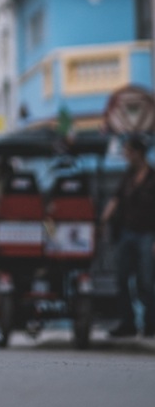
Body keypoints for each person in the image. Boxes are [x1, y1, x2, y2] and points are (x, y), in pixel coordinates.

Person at [101, 134, 155, 338]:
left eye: (128, 152)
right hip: (127, 234)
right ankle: (127, 323)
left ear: (138, 153)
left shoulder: (152, 177)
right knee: (121, 278)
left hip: (148, 235)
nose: (125, 156)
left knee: (146, 282)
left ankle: (151, 324)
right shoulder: (127, 177)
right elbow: (114, 200)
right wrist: (102, 222)